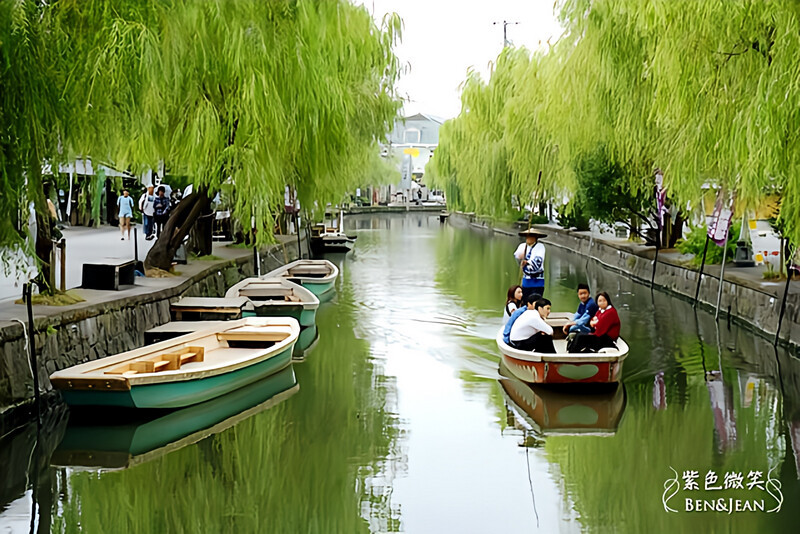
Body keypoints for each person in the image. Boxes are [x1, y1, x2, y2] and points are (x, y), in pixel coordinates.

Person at [513, 228, 546, 300]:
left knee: (536, 301)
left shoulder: (540, 246)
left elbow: (538, 261)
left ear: (535, 237)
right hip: (526, 280)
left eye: (530, 236)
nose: (527, 238)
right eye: (527, 236)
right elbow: (517, 256)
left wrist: (528, 262)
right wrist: (520, 257)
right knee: (525, 301)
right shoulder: (522, 246)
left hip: (537, 281)